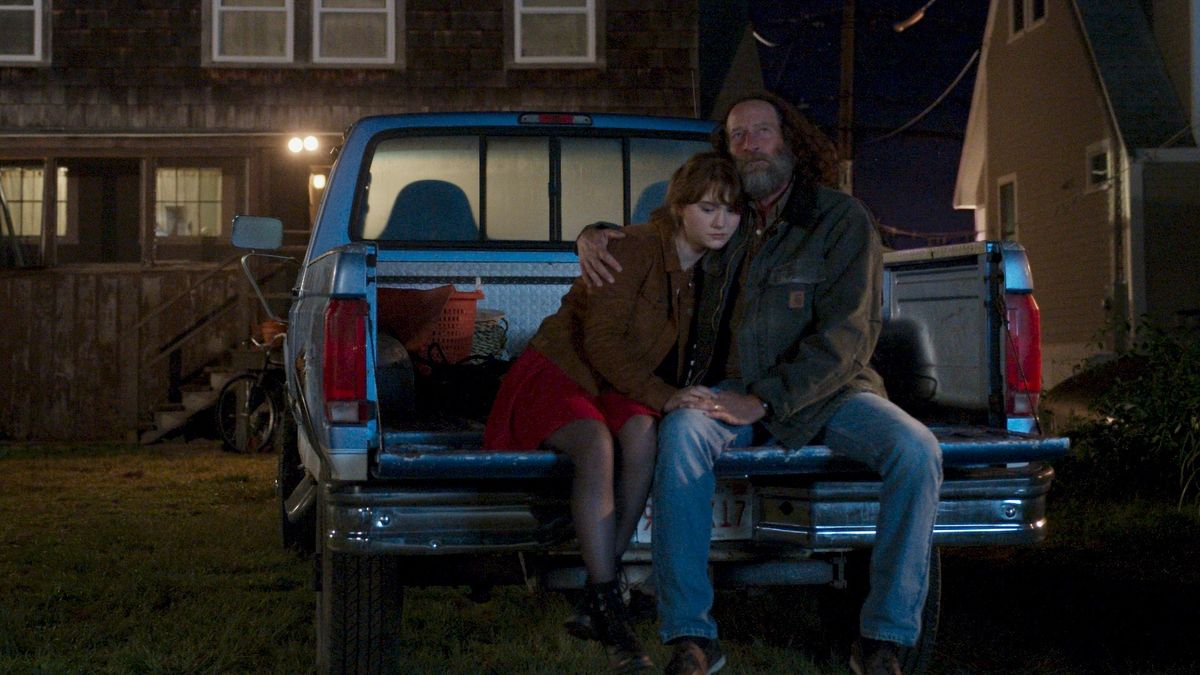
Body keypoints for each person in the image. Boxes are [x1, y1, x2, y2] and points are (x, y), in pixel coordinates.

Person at [576, 91, 943, 675]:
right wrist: (595, 234)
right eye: (737, 135)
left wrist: (764, 399)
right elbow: (661, 232)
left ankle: (884, 639)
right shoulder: (726, 218)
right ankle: (693, 637)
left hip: (833, 392)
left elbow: (848, 337)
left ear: (790, 141)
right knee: (684, 433)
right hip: (732, 389)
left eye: (762, 131)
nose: (750, 144)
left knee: (917, 449)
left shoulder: (840, 219)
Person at [483, 152, 744, 673]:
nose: (721, 221)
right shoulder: (636, 247)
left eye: (731, 210)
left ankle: (594, 591)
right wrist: (665, 393)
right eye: (707, 208)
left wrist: (672, 396)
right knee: (596, 446)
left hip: (615, 381)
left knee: (645, 433)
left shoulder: (705, 272)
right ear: (679, 208)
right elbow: (601, 342)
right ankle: (608, 605)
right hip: (563, 368)